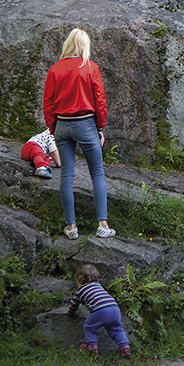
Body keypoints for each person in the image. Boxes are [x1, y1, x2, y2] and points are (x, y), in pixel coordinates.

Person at [43, 27, 115, 240]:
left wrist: (52, 129)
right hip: (86, 124)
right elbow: (100, 101)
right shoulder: (90, 67)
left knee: (66, 176)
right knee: (97, 174)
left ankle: (71, 227)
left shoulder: (55, 69)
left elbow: (48, 102)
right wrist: (99, 127)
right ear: (85, 46)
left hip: (63, 125)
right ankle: (102, 225)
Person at [66, 264, 131, 357]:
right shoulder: (98, 285)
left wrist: (69, 312)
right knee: (116, 329)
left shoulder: (80, 290)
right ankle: (125, 347)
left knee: (89, 327)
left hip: (100, 310)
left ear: (79, 280)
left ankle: (92, 348)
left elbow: (74, 305)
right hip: (114, 307)